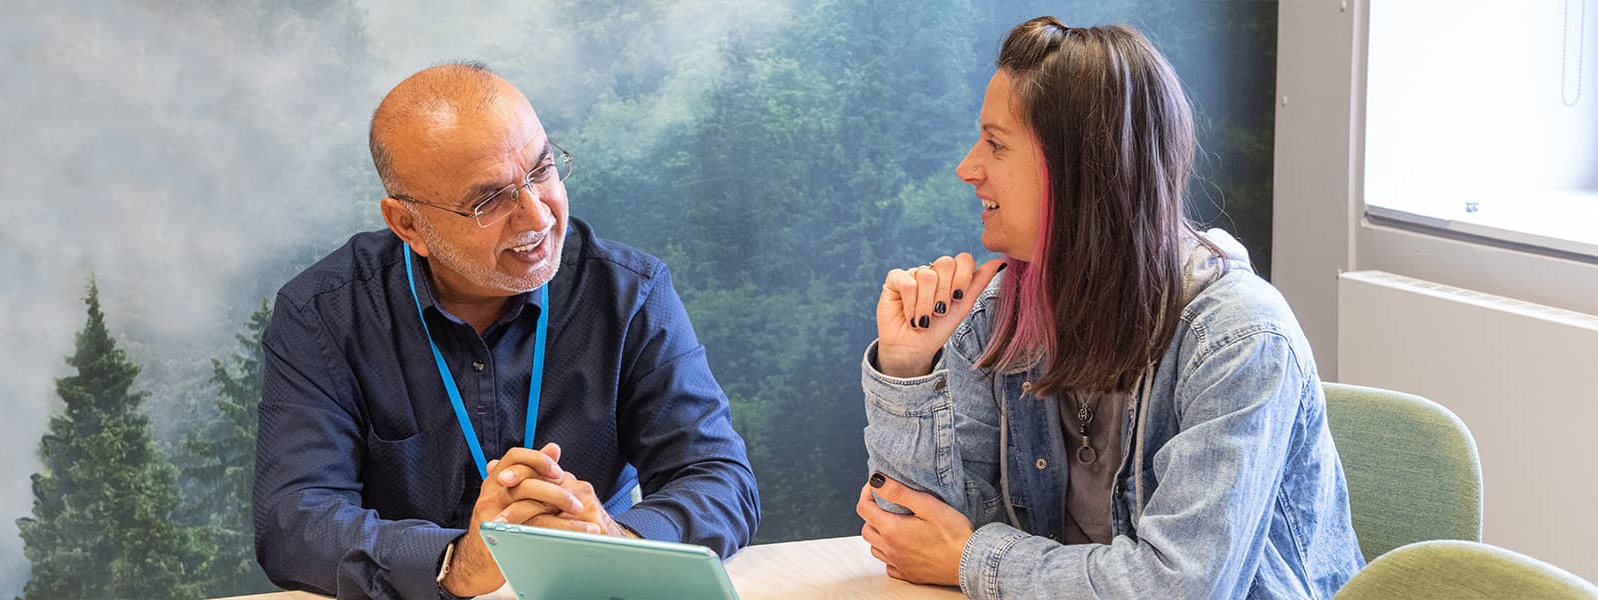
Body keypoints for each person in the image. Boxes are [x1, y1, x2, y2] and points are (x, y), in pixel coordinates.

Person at [855, 17, 1363, 599]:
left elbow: (1179, 588)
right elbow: (912, 537)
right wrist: (907, 368)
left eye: (996, 144)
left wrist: (974, 559)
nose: (967, 168)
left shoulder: (1240, 340)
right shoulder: (1000, 316)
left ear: (1081, 171)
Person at [253, 62, 759, 599]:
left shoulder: (629, 293)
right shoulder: (323, 313)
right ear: (407, 225)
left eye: (542, 171)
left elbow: (719, 478)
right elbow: (293, 520)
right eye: (490, 201)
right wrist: (453, 561)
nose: (538, 216)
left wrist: (616, 538)